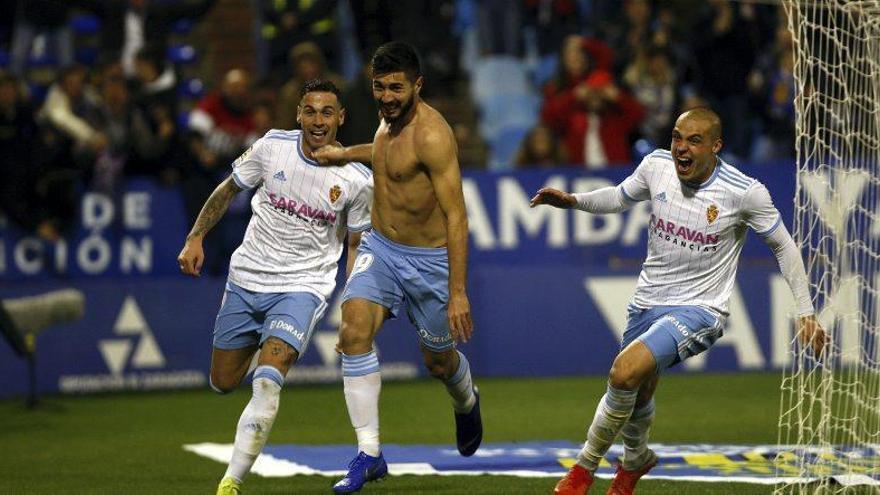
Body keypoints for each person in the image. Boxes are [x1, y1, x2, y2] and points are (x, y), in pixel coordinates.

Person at [530, 107, 827, 495]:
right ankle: (635, 461)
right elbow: (619, 197)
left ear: (716, 146)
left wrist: (806, 312)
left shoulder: (745, 191)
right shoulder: (655, 166)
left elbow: (784, 247)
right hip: (648, 300)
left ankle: (583, 470)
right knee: (639, 387)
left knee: (623, 373)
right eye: (676, 138)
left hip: (701, 309)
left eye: (694, 140)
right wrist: (573, 200)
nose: (681, 149)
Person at [176, 79, 373, 495]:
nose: (317, 121)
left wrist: (351, 302)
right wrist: (196, 237)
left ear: (341, 118)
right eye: (310, 111)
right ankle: (259, 348)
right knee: (224, 381)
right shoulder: (271, 147)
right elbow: (229, 188)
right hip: (248, 277)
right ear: (298, 114)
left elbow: (355, 244)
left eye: (326, 113)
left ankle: (231, 481)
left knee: (267, 379)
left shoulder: (357, 180)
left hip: (304, 285)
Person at [312, 41, 481, 493]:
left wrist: (458, 291)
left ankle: (466, 399)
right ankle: (369, 455)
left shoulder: (433, 135)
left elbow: (457, 217)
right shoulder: (388, 123)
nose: (386, 96)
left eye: (396, 88)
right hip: (381, 249)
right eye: (379, 87)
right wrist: (345, 153)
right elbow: (388, 156)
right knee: (352, 332)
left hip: (430, 263)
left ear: (417, 86)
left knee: (439, 363)